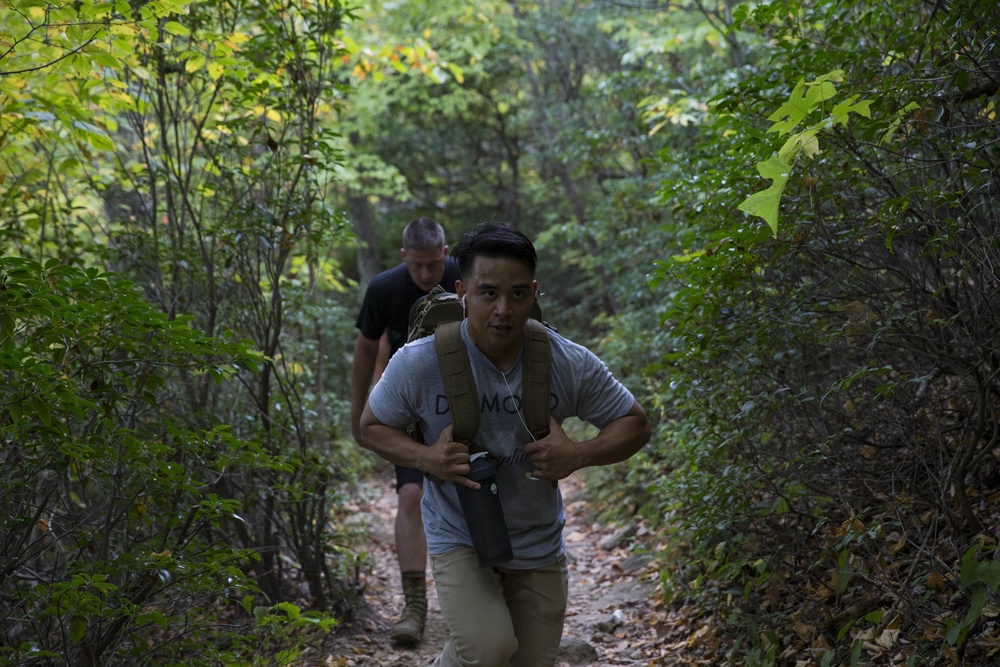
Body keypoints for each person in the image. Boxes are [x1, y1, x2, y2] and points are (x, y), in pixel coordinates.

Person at [359, 221, 650, 666]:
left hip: (537, 537)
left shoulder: (564, 359)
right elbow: (373, 426)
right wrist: (428, 459)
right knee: (490, 648)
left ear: (534, 292)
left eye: (518, 294)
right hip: (459, 532)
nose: (503, 309)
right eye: (488, 292)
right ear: (461, 291)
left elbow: (634, 423)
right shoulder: (420, 362)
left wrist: (578, 454)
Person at [350, 216, 462, 645]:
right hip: (409, 410)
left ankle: (472, 606)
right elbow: (365, 348)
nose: (425, 274)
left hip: (467, 404)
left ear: (445, 254)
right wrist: (359, 412)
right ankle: (414, 605)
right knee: (411, 493)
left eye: (433, 264)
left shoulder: (466, 278)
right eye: (416, 265)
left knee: (471, 491)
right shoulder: (384, 289)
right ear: (404, 258)